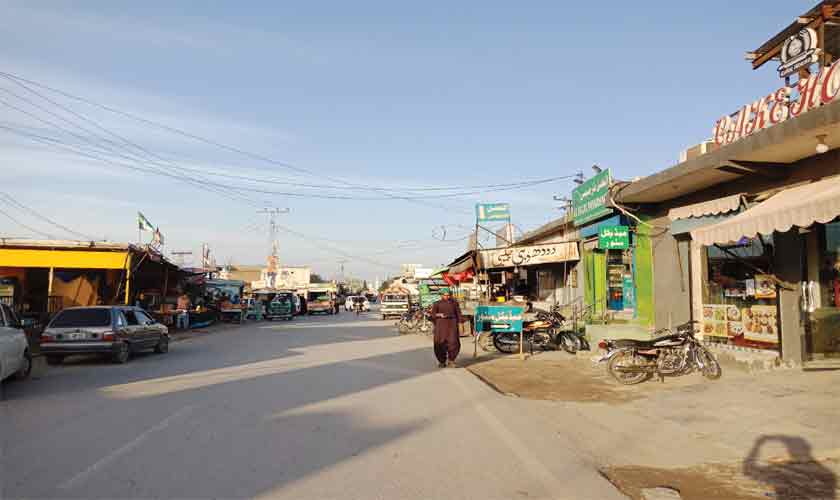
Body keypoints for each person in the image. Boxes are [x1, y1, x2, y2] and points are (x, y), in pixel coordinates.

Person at [430, 288, 463, 368]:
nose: (447, 297)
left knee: (454, 343)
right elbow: (432, 315)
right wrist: (438, 315)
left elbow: (458, 314)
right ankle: (442, 361)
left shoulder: (454, 303)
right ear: (441, 295)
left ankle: (451, 360)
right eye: (445, 295)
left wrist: (460, 324)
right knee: (439, 343)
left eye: (448, 295)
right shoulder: (436, 304)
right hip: (440, 325)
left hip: (452, 324)